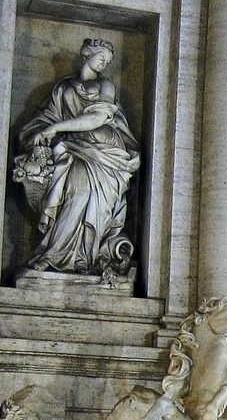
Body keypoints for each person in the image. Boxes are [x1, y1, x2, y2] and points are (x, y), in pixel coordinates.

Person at [13, 38, 141, 276]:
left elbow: (97, 119)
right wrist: (44, 132)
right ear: (87, 55)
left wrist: (56, 128)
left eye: (108, 61)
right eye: (101, 57)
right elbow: (44, 120)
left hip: (105, 152)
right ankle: (55, 255)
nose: (104, 63)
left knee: (98, 204)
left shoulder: (106, 87)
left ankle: (86, 259)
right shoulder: (63, 88)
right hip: (74, 150)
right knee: (76, 191)